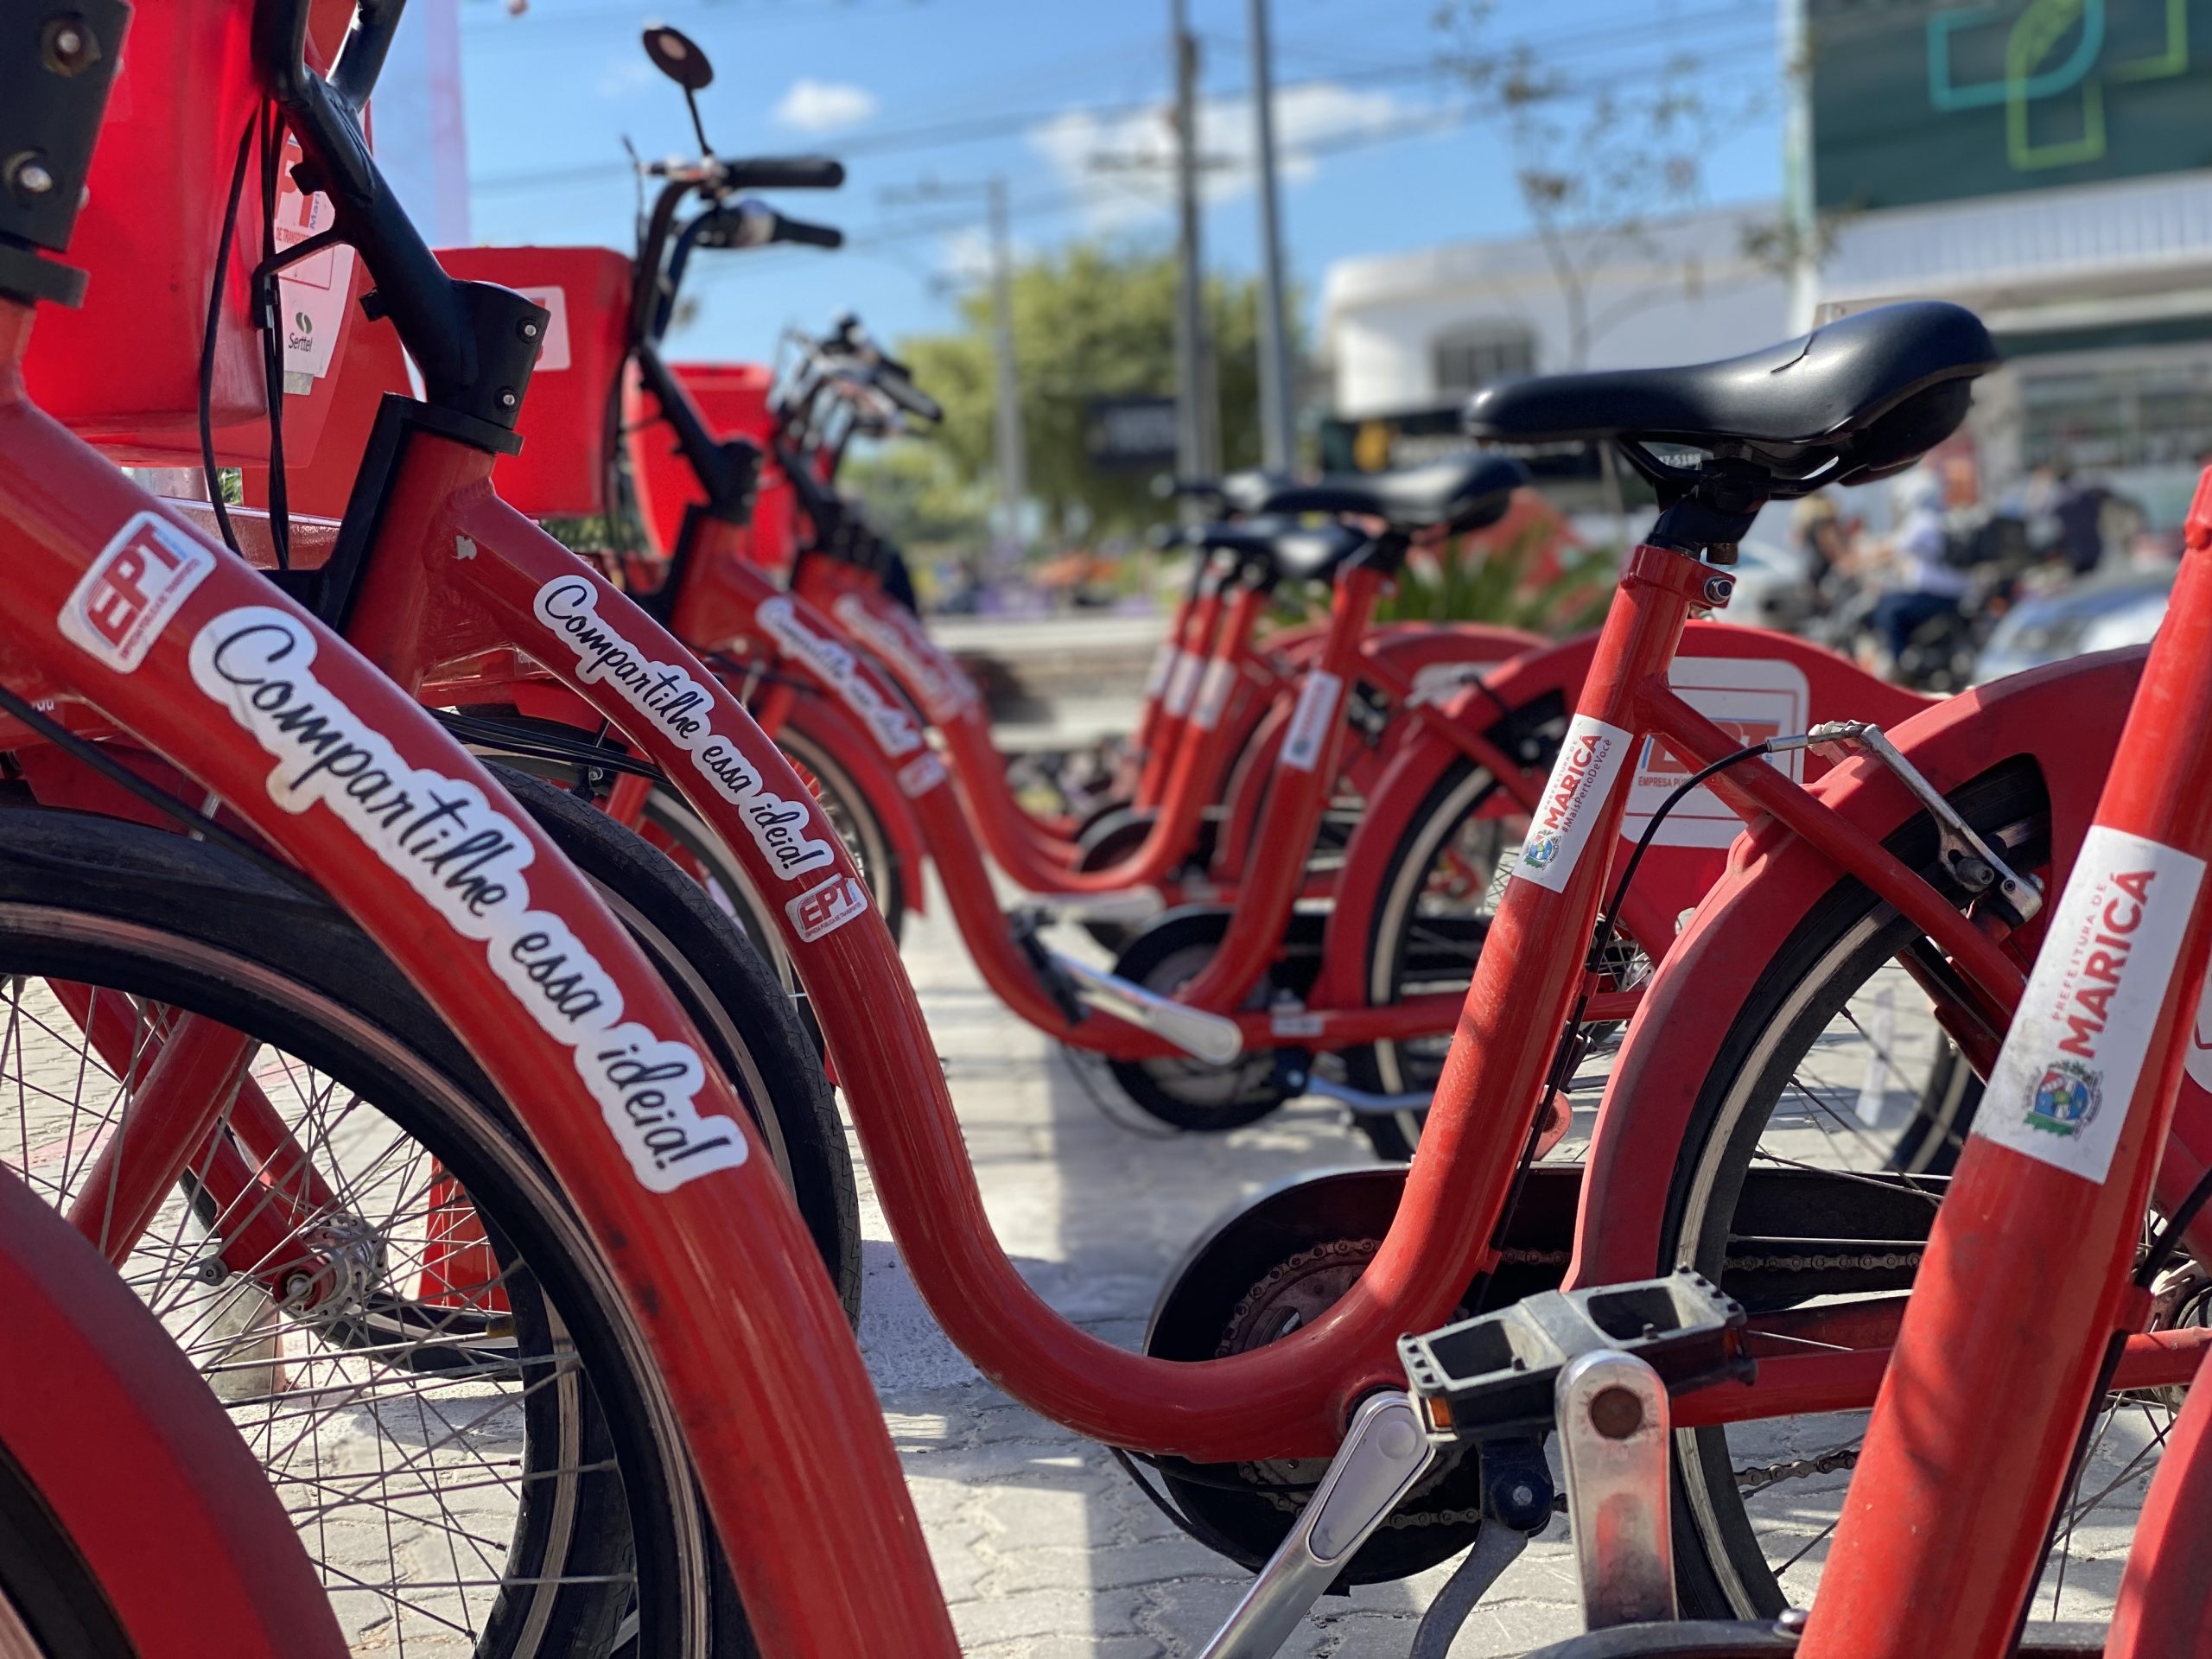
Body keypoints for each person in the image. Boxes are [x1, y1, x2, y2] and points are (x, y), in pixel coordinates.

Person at [1867, 465, 1970, 665]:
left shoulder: (1922, 521)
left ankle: (1901, 662)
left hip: (1935, 597)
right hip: (1956, 596)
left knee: (1887, 609)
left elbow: (1892, 548)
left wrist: (1861, 557)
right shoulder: (1946, 517)